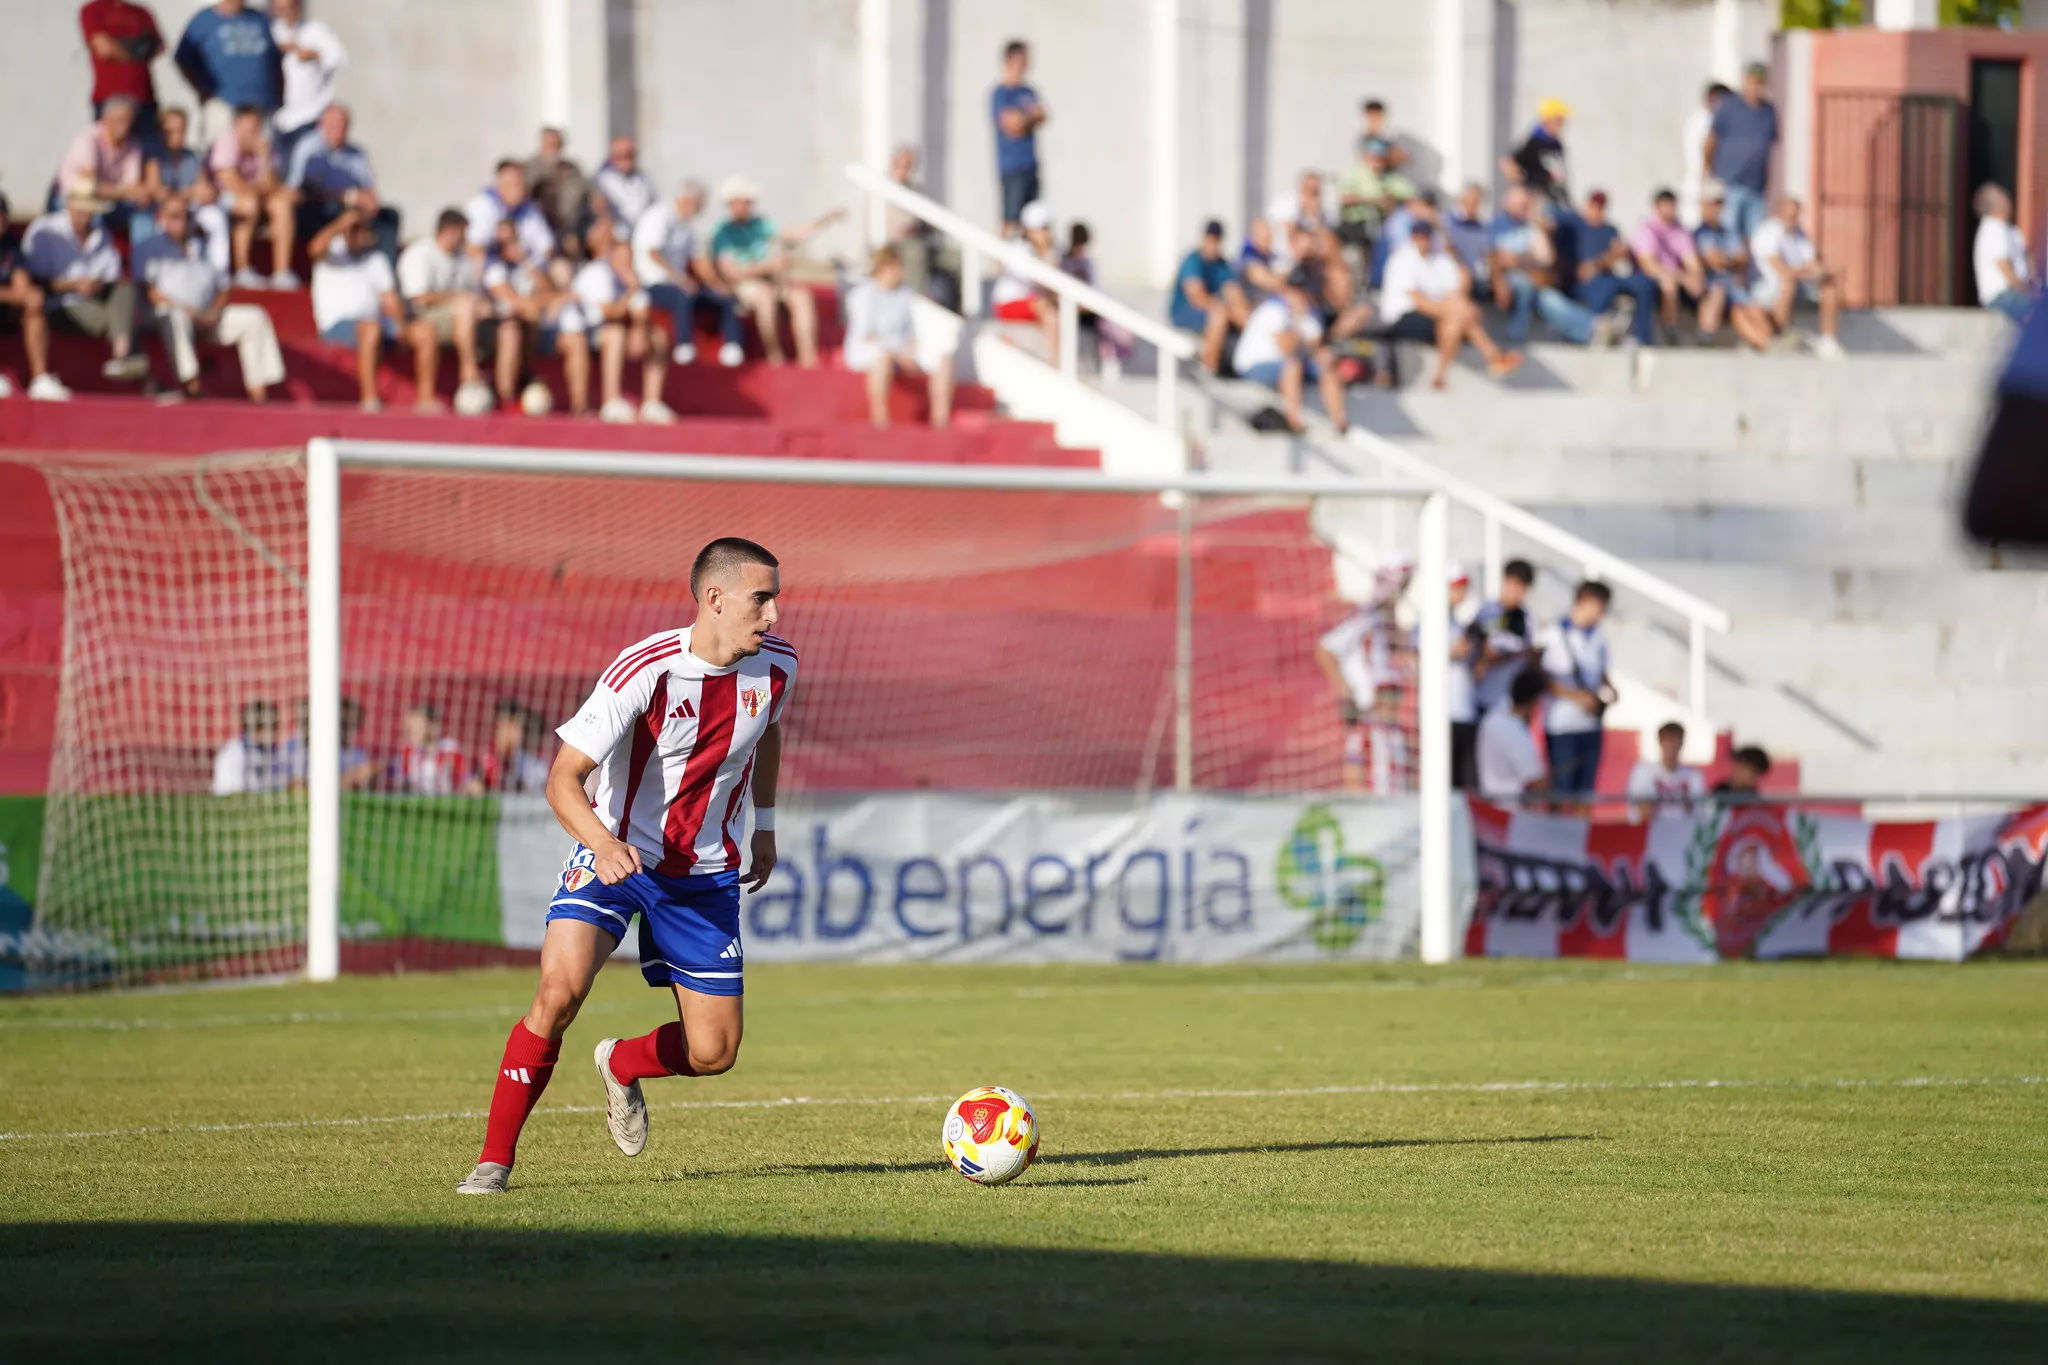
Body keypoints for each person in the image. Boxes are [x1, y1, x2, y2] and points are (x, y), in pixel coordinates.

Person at [456, 537, 796, 1196]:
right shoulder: (644, 668)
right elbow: (564, 779)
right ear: (715, 597)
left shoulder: (777, 665)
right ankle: (493, 1162)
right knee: (557, 993)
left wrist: (767, 825)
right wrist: (603, 844)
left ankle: (620, 1060)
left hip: (703, 877)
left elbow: (770, 729)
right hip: (614, 853)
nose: (775, 613)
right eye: (762, 597)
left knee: (714, 1052)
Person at [135, 192, 285, 402]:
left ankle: (258, 390)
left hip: (206, 315)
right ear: (163, 218)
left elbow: (224, 287)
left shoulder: (204, 246)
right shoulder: (148, 247)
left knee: (254, 317)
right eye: (175, 216)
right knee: (174, 316)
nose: (182, 221)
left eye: (185, 215)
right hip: (167, 316)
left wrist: (213, 311)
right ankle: (191, 384)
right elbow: (149, 292)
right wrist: (187, 310)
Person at [24, 177, 150, 383]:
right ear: (68, 205)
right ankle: (129, 358)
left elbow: (112, 278)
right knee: (123, 320)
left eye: (89, 210)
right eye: (82, 210)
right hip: (60, 306)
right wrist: (73, 284)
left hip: (95, 301)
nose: (86, 216)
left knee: (125, 289)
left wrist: (95, 284)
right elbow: (34, 282)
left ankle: (122, 354)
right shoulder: (44, 231)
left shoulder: (101, 235)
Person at [708, 175, 839, 368]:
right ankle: (774, 356)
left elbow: (793, 233)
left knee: (801, 297)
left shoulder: (759, 224)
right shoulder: (722, 232)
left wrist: (824, 220)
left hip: (769, 279)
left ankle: (809, 358)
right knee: (764, 296)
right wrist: (767, 267)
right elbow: (732, 272)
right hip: (745, 286)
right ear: (732, 203)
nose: (748, 206)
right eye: (744, 202)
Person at [1378, 217, 1523, 388]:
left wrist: (1456, 308)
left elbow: (1457, 290)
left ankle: (1440, 376)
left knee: (1455, 320)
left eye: (1425, 236)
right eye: (1418, 236)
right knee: (1459, 314)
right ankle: (1493, 355)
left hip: (1439, 314)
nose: (1422, 240)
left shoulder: (1440, 259)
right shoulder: (1402, 259)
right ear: (1412, 237)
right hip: (1403, 316)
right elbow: (1419, 302)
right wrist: (1456, 310)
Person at [1314, 560, 1411, 794]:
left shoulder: (1393, 626)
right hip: (1369, 714)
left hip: (1387, 722)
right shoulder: (1365, 619)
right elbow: (1325, 649)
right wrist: (1345, 689)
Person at [483, 214, 592, 416]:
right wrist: (549, 301)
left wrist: (527, 265)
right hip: (505, 331)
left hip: (536, 329)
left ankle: (580, 406)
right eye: (503, 242)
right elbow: (518, 303)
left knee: (575, 339)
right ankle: (507, 398)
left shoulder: (529, 265)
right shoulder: (493, 269)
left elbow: (547, 292)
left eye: (513, 240)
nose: (509, 246)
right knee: (511, 330)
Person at [571, 215, 675, 425]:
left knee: (658, 337)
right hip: (588, 335)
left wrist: (640, 329)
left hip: (620, 330)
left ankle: (651, 403)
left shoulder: (632, 281)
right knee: (615, 334)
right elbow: (609, 313)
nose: (626, 263)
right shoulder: (596, 274)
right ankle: (611, 400)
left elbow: (642, 313)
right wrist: (631, 293)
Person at [633, 178, 744, 367]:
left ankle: (732, 346)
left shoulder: (689, 225)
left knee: (724, 299)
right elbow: (653, 253)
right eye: (701, 202)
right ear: (690, 199)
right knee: (682, 294)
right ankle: (684, 345)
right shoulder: (659, 215)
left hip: (679, 283)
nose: (703, 208)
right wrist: (679, 278)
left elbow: (698, 260)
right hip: (652, 284)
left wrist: (718, 285)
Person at [844, 244, 954, 429]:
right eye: (896, 266)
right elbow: (866, 335)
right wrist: (897, 354)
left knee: (944, 359)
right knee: (882, 358)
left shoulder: (906, 294)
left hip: (900, 350)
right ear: (883, 268)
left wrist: (910, 351)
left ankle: (940, 421)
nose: (901, 271)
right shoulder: (863, 294)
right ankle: (880, 418)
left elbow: (911, 331)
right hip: (872, 350)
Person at [1232, 267, 1349, 434]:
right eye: (1294, 290)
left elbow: (1314, 347)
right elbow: (1288, 348)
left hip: (1289, 365)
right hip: (1254, 365)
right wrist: (1298, 325)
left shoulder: (1309, 317)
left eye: (1301, 290)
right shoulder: (1272, 310)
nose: (1297, 295)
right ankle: (1293, 420)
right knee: (1293, 364)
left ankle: (1340, 422)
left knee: (1327, 366)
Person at [397, 207, 491, 414]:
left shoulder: (464, 259)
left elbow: (471, 295)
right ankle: (468, 371)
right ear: (450, 230)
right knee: (456, 311)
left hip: (457, 320)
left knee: (504, 326)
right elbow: (418, 298)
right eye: (463, 232)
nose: (467, 239)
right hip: (417, 317)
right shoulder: (419, 253)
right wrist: (458, 298)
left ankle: (510, 388)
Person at [309, 202, 402, 411]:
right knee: (370, 328)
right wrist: (342, 223)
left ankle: (426, 400)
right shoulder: (332, 253)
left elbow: (390, 298)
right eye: (353, 229)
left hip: (375, 325)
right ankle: (369, 398)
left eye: (361, 228)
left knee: (424, 333)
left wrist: (401, 326)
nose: (357, 233)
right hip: (338, 326)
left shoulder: (376, 259)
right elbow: (314, 248)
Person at [1541, 580, 1617, 810]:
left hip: (1591, 725)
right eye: (1600, 606)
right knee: (1562, 790)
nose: (1601, 614)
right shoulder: (1552, 634)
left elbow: (1601, 673)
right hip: (1562, 726)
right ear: (1587, 602)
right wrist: (1577, 697)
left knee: (1586, 793)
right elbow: (1543, 679)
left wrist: (1610, 691)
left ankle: (1577, 841)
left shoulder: (1598, 637)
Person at [287, 104, 398, 261]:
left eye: (342, 125)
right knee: (335, 210)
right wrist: (349, 197)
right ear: (321, 125)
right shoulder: (309, 149)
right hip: (316, 208)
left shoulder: (357, 153)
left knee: (389, 216)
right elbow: (300, 190)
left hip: (351, 209)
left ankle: (384, 271)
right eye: (333, 125)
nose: (338, 130)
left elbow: (370, 189)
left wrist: (370, 202)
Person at [209, 103, 299, 288]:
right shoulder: (226, 142)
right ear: (236, 125)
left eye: (255, 127)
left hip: (255, 198)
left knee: (282, 204)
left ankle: (281, 272)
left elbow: (273, 185)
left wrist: (265, 158)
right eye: (248, 127)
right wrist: (261, 190)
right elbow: (231, 183)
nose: (252, 132)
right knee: (249, 204)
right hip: (220, 199)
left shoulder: (264, 148)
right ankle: (242, 269)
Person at [1749, 196, 1843, 359]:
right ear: (1780, 213)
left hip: (1797, 284)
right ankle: (1778, 336)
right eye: (1790, 214)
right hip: (1767, 287)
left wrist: (1824, 271)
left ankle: (1828, 340)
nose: (1793, 218)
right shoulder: (1767, 233)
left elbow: (1811, 263)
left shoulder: (1799, 233)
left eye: (1796, 214)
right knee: (1788, 283)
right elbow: (1781, 269)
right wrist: (1806, 272)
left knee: (1829, 285)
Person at [174, 0, 281, 142]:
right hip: (223, 106)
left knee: (264, 158)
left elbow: (278, 59)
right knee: (221, 159)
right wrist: (202, 89)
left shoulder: (261, 19)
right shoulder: (203, 20)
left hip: (262, 108)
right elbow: (183, 59)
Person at [139, 106, 232, 270]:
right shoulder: (154, 156)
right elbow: (157, 191)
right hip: (161, 210)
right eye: (171, 131)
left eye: (181, 130)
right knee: (172, 220)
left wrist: (186, 195)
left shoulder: (191, 156)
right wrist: (188, 194)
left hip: (188, 207)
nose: (177, 135)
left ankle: (219, 272)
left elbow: (204, 189)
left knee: (215, 216)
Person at [56, 96, 155, 240]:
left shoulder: (133, 145)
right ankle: (95, 260)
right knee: (94, 216)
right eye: (118, 120)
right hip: (73, 198)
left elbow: (133, 187)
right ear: (104, 119)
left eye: (127, 120)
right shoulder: (88, 140)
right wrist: (126, 192)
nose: (124, 125)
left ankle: (145, 259)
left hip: (109, 201)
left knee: (144, 215)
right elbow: (90, 187)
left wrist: (134, 193)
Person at [1568, 190, 1657, 346]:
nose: (1598, 210)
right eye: (1595, 206)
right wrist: (1605, 260)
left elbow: (1617, 258)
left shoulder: (1610, 230)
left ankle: (1642, 338)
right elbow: (1582, 270)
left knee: (1644, 284)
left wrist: (1603, 262)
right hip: (1586, 282)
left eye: (1601, 207)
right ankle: (1593, 332)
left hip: (1609, 277)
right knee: (1603, 286)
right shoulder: (1575, 229)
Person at [0, 193, 67, 401]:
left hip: (6, 311)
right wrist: (16, 295)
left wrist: (27, 294)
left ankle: (40, 379)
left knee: (34, 304)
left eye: (2, 215)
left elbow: (22, 282)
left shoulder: (10, 245)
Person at [1692, 183, 1772, 349]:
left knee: (1754, 309)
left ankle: (1770, 342)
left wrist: (1725, 259)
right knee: (1732, 308)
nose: (1716, 208)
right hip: (1711, 287)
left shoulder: (1729, 231)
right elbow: (1714, 261)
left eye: (1719, 203)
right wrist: (1729, 259)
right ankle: (1765, 344)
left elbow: (1742, 259)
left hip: (1733, 286)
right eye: (1712, 203)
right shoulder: (1700, 233)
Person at [1706, 61, 1778, 246]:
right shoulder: (1729, 107)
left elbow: (1770, 146)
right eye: (1753, 81)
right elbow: (1710, 141)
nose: (1757, 86)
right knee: (1730, 238)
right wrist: (1709, 173)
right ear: (1745, 81)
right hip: (1730, 184)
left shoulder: (1768, 110)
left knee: (1753, 239)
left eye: (1760, 82)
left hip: (1756, 187)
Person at [269, 0, 344, 174]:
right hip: (280, 120)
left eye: (289, 7)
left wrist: (314, 54)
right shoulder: (272, 31)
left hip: (310, 117)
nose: (285, 13)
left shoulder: (316, 31)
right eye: (280, 9)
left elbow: (340, 59)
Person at [81, 0, 165, 146]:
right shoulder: (93, 10)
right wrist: (138, 50)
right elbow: (104, 48)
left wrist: (119, 45)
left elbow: (159, 47)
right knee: (110, 153)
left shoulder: (143, 13)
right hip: (110, 98)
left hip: (144, 98)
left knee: (147, 155)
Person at [1169, 218, 1248, 374]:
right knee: (1219, 315)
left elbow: (1233, 292)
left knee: (1241, 314)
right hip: (1184, 312)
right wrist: (1225, 309)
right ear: (1204, 239)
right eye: (1210, 240)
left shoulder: (1222, 264)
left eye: (1216, 241)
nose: (1213, 245)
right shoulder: (1192, 261)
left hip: (1210, 310)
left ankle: (1244, 365)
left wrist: (1241, 312)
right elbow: (1197, 297)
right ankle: (1209, 368)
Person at [988, 199, 1062, 363]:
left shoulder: (1048, 252)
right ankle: (1055, 363)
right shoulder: (1020, 250)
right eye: (1043, 228)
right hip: (1008, 304)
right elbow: (1043, 280)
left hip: (1030, 304)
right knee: (1047, 309)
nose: (1046, 233)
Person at [1630, 189, 1706, 336]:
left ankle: (1705, 336)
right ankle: (1669, 330)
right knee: (1668, 282)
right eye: (1667, 205)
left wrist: (1695, 277)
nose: (1670, 209)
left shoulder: (1680, 231)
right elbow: (1648, 265)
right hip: (1649, 279)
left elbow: (1692, 262)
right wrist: (1681, 277)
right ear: (1657, 206)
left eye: (1672, 205)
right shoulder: (1645, 229)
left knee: (1714, 288)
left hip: (1676, 278)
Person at [1469, 559, 1537, 721]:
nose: (1516, 592)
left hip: (1514, 703)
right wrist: (1519, 654)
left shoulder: (1527, 617)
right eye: (1513, 585)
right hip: (1488, 700)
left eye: (1522, 587)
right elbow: (1488, 654)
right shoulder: (1489, 612)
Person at [991, 39, 1046, 230]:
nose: (1024, 66)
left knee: (1034, 219)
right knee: (1010, 218)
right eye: (1020, 60)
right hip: (1012, 167)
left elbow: (1043, 115)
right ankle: (1000, 259)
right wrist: (1028, 116)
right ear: (1008, 61)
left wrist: (1024, 118)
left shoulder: (1029, 91)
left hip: (1030, 163)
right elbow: (1011, 124)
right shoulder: (1001, 93)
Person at [465, 160, 557, 274]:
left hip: (524, 265)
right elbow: (474, 248)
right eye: (514, 183)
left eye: (521, 183)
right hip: (492, 266)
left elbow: (547, 247)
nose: (519, 188)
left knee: (559, 269)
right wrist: (502, 253)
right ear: (500, 184)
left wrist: (527, 257)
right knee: (496, 272)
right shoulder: (482, 205)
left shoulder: (529, 207)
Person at [1477, 669, 1551, 806]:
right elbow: (1538, 783)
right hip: (1511, 813)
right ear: (1535, 701)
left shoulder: (1490, 719)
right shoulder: (1517, 733)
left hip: (1490, 803)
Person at [1972, 183, 2035, 323]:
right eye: (2003, 197)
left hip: (2018, 292)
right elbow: (2004, 267)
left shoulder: (2011, 229)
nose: (2008, 200)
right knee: (2038, 308)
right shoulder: (1991, 229)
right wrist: (2026, 289)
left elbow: (2027, 258)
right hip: (2000, 296)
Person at [1445, 566, 1481, 791]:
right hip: (1444, 714)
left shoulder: (1459, 623)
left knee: (1466, 782)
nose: (1462, 593)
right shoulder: (1428, 623)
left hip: (1465, 711)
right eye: (1457, 587)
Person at [524, 128, 590, 249]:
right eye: (549, 144)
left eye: (557, 145)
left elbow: (587, 193)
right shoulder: (529, 167)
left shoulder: (572, 169)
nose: (553, 149)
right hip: (539, 228)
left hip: (570, 228)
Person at [1627, 721, 1705, 822]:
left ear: (1681, 744)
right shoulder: (1643, 771)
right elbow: (1644, 810)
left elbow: (1697, 813)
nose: (1671, 747)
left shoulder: (1694, 775)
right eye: (1668, 741)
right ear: (1660, 742)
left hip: (1683, 833)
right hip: (1652, 833)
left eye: (1675, 741)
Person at [1504, 97, 1572, 209]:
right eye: (1559, 119)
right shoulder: (1534, 142)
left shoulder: (1557, 144)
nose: (1562, 123)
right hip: (1537, 199)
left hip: (1554, 198)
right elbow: (1509, 163)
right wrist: (1523, 189)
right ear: (1549, 119)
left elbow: (1558, 174)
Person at [213, 698, 289, 795]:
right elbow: (231, 791)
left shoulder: (272, 752)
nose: (276, 731)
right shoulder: (234, 752)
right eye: (273, 726)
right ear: (258, 728)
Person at [389, 701, 467, 795]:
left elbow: (469, 781)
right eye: (408, 726)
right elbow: (398, 785)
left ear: (432, 726)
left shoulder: (449, 749)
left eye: (415, 725)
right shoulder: (407, 752)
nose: (409, 730)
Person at [476, 699, 552, 795]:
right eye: (517, 726)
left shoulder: (534, 765)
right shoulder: (483, 758)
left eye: (520, 727)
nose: (519, 732)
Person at [1681, 83, 1731, 228]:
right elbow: (1706, 151)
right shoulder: (1704, 121)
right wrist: (1704, 182)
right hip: (1701, 181)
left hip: (1701, 180)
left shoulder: (1697, 119)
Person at [592, 136, 656, 233]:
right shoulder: (601, 180)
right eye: (621, 156)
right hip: (617, 235)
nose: (626, 161)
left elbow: (654, 205)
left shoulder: (644, 178)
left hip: (643, 233)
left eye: (629, 155)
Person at [1444, 184, 1493, 295]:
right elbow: (1446, 248)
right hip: (1453, 276)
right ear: (1461, 200)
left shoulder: (1482, 228)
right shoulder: (1446, 221)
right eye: (1470, 201)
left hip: (1475, 277)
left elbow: (1488, 254)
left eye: (1477, 202)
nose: (1474, 205)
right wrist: (1462, 268)